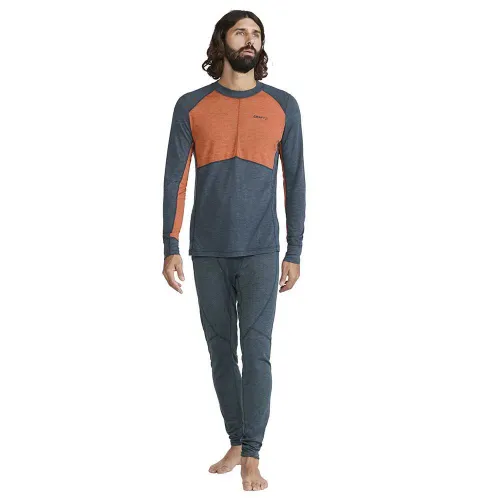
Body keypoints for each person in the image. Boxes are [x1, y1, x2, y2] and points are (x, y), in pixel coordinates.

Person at [161, 10, 306, 492]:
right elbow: (175, 179)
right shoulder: (191, 105)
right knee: (221, 353)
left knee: (257, 352)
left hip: (262, 250)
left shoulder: (283, 105)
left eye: (257, 34)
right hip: (208, 251)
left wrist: (294, 251)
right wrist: (170, 244)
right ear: (222, 41)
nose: (250, 40)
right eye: (241, 31)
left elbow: (295, 181)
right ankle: (236, 440)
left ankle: (252, 455)